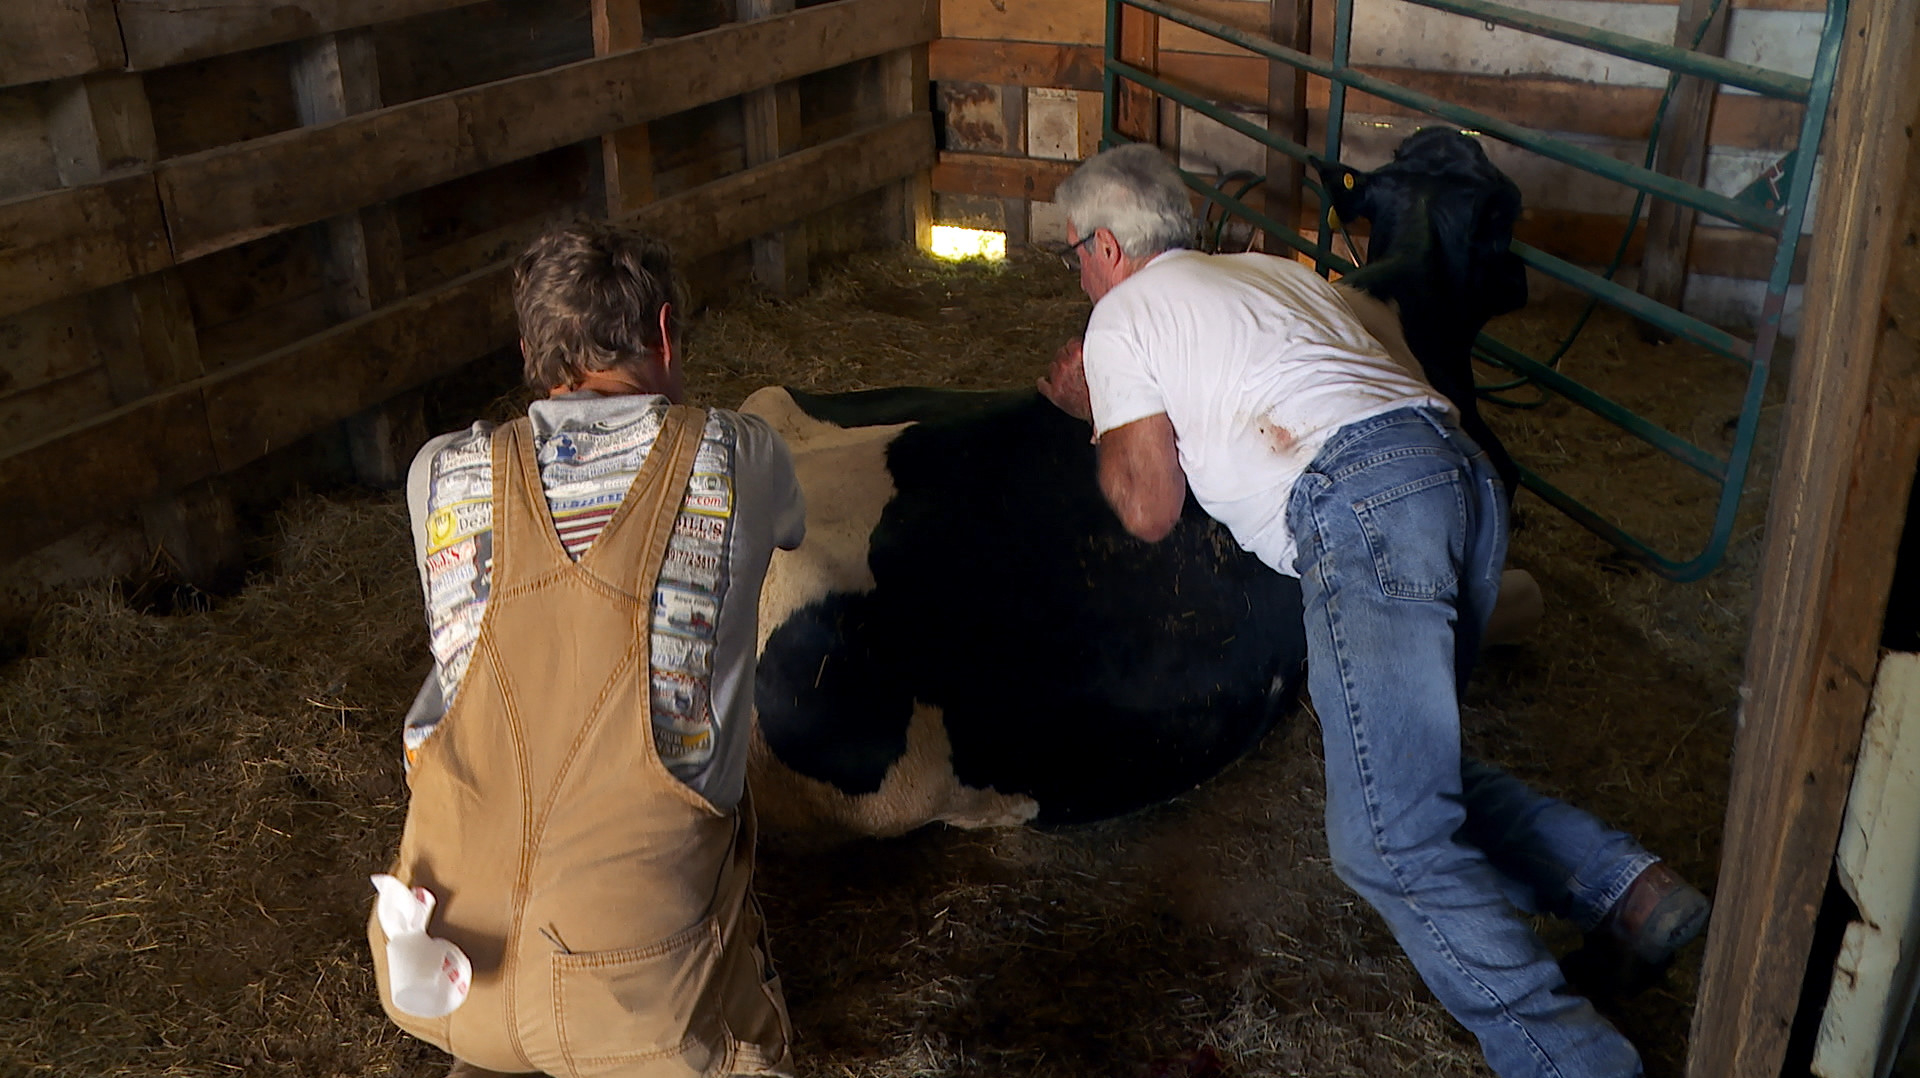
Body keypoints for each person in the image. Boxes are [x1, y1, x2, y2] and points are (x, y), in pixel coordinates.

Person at [1035, 143, 1708, 1078]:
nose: (1077, 273)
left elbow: (1148, 508)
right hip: (1460, 479)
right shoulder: (1273, 273)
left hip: (1361, 506)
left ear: (1106, 247)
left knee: (1388, 841)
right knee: (1405, 770)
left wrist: (1094, 411)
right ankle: (1627, 890)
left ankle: (1575, 1063)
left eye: (1072, 254)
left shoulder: (1122, 316)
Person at [372, 220, 806, 1078]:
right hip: (643, 998)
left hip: (445, 978)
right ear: (666, 333)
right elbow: (792, 530)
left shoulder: (438, 473)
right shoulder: (739, 452)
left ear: (530, 353)